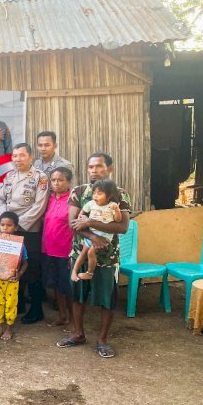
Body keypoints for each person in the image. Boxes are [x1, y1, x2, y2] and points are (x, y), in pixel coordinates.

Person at [57, 153, 131, 359]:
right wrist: (91, 236)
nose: (94, 171)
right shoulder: (79, 191)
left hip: (108, 257)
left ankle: (102, 340)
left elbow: (123, 226)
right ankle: (78, 334)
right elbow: (73, 223)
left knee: (107, 299)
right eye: (90, 167)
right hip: (79, 252)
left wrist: (90, 223)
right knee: (77, 294)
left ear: (110, 168)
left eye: (99, 167)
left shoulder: (120, 194)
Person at [0, 143, 50, 324]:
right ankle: (17, 305)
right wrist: (5, 220)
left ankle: (36, 309)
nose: (17, 159)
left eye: (22, 155)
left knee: (31, 270)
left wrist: (18, 224)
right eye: (15, 156)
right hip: (10, 228)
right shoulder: (10, 176)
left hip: (29, 230)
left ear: (31, 157)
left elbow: (39, 206)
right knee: (12, 267)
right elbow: (0, 198)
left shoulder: (40, 178)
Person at [41, 167, 75, 327]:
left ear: (68, 182)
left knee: (68, 287)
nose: (56, 183)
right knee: (55, 285)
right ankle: (62, 316)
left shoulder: (73, 200)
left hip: (65, 251)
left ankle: (74, 320)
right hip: (48, 249)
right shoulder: (49, 198)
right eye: (53, 180)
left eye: (60, 180)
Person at [71, 178, 122, 282]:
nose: (95, 196)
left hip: (104, 235)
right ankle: (74, 272)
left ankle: (89, 273)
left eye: (99, 193)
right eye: (94, 193)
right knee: (83, 252)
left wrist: (116, 210)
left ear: (109, 195)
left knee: (91, 252)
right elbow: (81, 216)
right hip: (92, 233)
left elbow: (118, 220)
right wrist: (83, 220)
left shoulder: (111, 206)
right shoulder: (90, 204)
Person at [0, 212, 29, 341]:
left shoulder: (20, 244)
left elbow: (25, 262)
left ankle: (8, 329)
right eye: (2, 225)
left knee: (10, 304)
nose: (5, 228)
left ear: (16, 227)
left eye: (9, 225)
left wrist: (19, 274)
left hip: (12, 280)